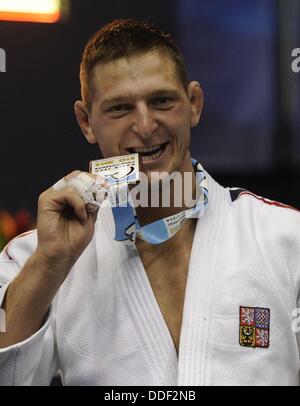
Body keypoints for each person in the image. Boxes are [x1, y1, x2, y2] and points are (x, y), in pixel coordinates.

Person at [0, 19, 300, 387]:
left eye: (161, 101)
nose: (145, 125)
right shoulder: (38, 257)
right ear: (86, 122)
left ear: (193, 104)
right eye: (120, 108)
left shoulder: (286, 238)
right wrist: (49, 264)